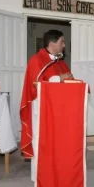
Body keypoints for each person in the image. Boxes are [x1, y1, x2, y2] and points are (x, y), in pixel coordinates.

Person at [20, 29, 74, 159]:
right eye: (62, 42)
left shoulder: (59, 63)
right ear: (52, 44)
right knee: (42, 143)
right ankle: (39, 176)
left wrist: (69, 79)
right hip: (42, 109)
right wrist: (58, 79)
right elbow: (36, 85)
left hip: (58, 111)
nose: (64, 45)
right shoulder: (36, 60)